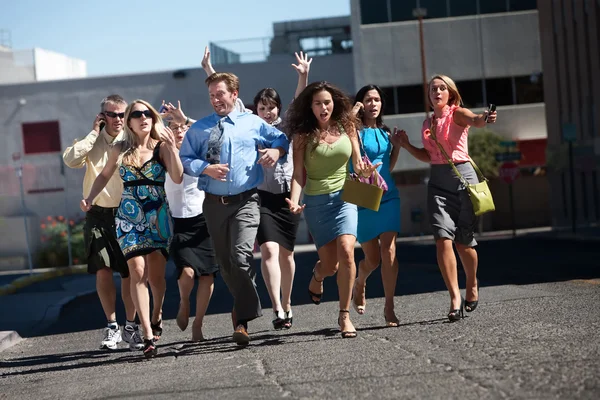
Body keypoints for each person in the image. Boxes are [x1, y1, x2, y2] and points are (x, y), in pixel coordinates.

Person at [200, 47, 312, 330]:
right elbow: (228, 98)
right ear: (255, 108)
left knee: (287, 254)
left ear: (277, 107)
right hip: (258, 198)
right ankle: (275, 306)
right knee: (270, 252)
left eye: (271, 106)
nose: (267, 111)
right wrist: (209, 71)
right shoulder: (245, 123)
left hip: (286, 196)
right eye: (262, 107)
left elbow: (299, 103)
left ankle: (287, 304)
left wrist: (304, 75)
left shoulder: (285, 126)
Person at [179, 72, 289, 346]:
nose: (216, 100)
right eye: (212, 95)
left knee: (241, 257)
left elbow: (281, 139)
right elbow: (185, 158)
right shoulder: (200, 129)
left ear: (234, 95)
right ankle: (244, 309)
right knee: (226, 265)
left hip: (246, 201)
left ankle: (242, 317)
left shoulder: (252, 122)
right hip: (214, 205)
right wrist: (206, 168)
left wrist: (276, 152)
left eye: (221, 94)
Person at [81, 100, 183, 358]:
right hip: (128, 215)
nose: (143, 117)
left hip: (157, 215)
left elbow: (178, 177)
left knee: (156, 279)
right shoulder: (120, 149)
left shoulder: (162, 147)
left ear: (152, 118)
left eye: (147, 113)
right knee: (137, 270)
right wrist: (90, 197)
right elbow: (104, 175)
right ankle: (147, 333)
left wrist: (173, 148)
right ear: (129, 121)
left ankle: (157, 311)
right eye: (136, 114)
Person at [396, 74, 497, 322]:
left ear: (450, 93)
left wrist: (486, 117)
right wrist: (407, 145)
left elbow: (476, 120)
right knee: (442, 238)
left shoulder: (458, 113)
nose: (437, 92)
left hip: (463, 180)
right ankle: (454, 297)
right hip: (438, 184)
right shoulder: (427, 123)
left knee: (464, 242)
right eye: (433, 89)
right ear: (429, 96)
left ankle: (472, 284)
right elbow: (429, 156)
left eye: (442, 88)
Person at [285, 81, 376, 339]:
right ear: (310, 107)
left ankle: (344, 315)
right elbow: (298, 174)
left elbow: (357, 164)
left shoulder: (347, 126)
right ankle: (318, 274)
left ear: (334, 103)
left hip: (345, 198)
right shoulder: (303, 136)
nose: (323, 107)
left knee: (347, 251)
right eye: (317, 103)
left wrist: (364, 171)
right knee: (331, 266)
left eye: (327, 102)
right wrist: (294, 200)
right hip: (316, 203)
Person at [62, 95, 143, 351]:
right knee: (102, 268)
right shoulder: (91, 142)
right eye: (112, 114)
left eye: (122, 114)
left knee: (129, 273)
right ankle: (112, 327)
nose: (118, 119)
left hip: (128, 214)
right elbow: (70, 160)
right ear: (102, 116)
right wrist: (92, 134)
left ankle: (131, 326)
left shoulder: (131, 141)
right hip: (97, 213)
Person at [350, 85, 403, 327]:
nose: (373, 104)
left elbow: (386, 168)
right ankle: (360, 281)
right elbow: (342, 128)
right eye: (368, 100)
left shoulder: (384, 133)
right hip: (362, 193)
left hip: (388, 194)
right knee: (372, 260)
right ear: (361, 104)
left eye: (377, 100)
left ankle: (389, 305)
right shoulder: (354, 131)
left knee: (389, 250)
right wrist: (355, 109)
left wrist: (398, 147)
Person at [164, 118, 218, 342]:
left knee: (207, 275)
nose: (179, 132)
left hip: (204, 220)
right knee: (187, 271)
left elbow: (215, 129)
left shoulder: (201, 154)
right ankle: (184, 300)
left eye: (183, 128)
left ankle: (199, 323)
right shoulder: (163, 155)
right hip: (178, 223)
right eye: (174, 128)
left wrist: (187, 119)